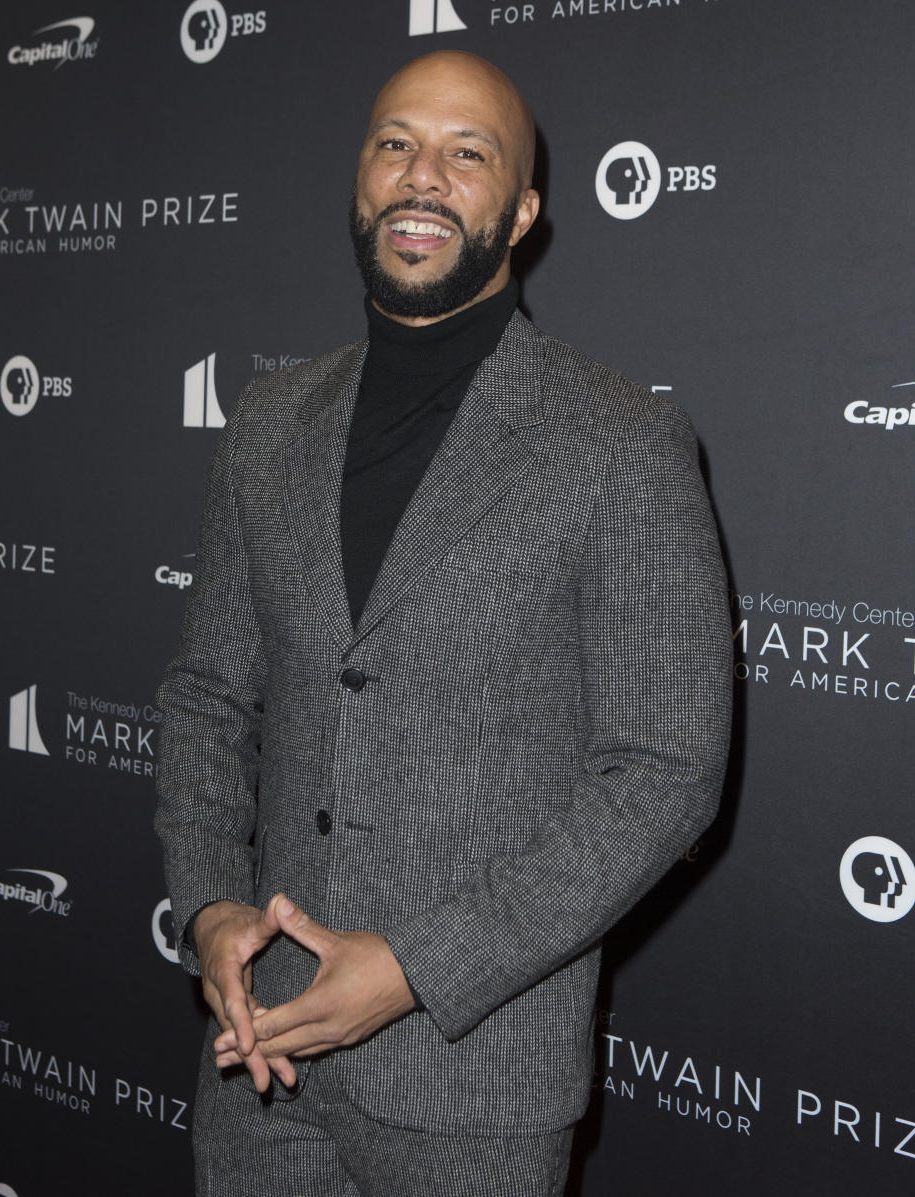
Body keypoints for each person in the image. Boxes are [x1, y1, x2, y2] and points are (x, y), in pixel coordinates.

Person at [155, 49, 732, 1197]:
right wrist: (212, 903)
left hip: (474, 1083)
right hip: (256, 1064)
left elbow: (665, 774)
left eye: (467, 154)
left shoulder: (621, 442)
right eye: (395, 143)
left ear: (520, 212)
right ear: (360, 180)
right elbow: (208, 696)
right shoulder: (269, 422)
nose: (423, 175)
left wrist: (418, 968)